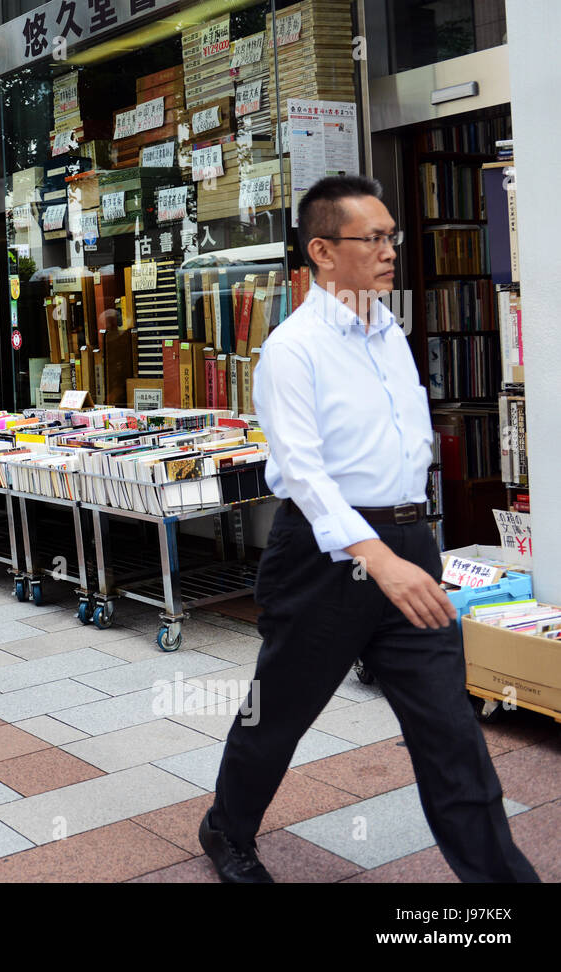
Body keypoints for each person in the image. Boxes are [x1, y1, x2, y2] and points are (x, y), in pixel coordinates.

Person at [199, 175, 539, 884]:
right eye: (374, 238)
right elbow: (305, 473)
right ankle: (227, 829)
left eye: (393, 237)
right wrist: (378, 558)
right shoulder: (292, 350)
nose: (391, 251)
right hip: (327, 561)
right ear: (322, 250)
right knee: (279, 712)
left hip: (410, 549)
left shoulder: (390, 333)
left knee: (450, 729)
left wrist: (411, 545)